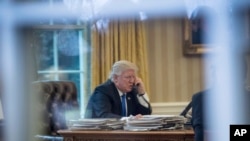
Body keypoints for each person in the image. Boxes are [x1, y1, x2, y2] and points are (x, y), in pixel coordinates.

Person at [84, 60, 152, 118]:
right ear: (115, 78)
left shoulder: (132, 92)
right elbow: (104, 116)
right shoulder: (103, 91)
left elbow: (146, 114)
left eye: (133, 77)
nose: (132, 81)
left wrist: (142, 93)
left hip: (124, 132)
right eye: (128, 77)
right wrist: (128, 120)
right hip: (99, 132)